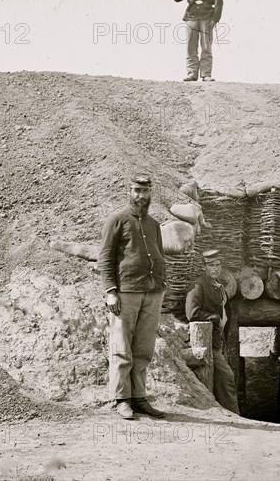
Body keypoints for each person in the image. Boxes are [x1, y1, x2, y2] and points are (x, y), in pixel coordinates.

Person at [97, 174, 167, 419]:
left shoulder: (154, 225)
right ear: (129, 191)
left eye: (145, 191)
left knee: (144, 349)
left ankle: (139, 398)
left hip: (152, 292)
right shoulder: (117, 220)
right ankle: (121, 399)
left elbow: (158, 253)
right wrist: (110, 292)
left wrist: (160, 284)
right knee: (121, 347)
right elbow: (105, 257)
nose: (141, 196)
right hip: (125, 292)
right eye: (137, 190)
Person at [186, 249, 239, 413]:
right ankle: (234, 415)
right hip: (206, 342)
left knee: (222, 379)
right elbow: (191, 313)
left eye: (218, 265)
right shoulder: (197, 286)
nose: (215, 269)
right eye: (211, 266)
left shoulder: (219, 288)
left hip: (217, 340)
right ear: (204, 267)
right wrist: (214, 317)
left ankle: (224, 414)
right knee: (228, 377)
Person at [170, 0, 223, 82]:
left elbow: (219, 2)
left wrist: (214, 19)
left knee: (206, 47)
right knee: (190, 47)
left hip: (207, 17)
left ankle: (206, 74)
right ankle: (191, 73)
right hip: (191, 17)